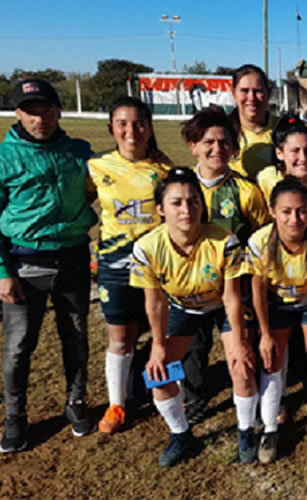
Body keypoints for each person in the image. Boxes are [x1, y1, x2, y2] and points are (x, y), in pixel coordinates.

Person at [130, 167, 258, 466]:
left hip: (220, 307)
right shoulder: (146, 248)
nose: (186, 209)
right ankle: (181, 434)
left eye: (193, 201)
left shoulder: (224, 240)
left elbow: (231, 297)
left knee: (241, 367)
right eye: (176, 203)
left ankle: (246, 430)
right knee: (159, 375)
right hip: (183, 309)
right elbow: (156, 302)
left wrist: (238, 342)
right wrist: (159, 345)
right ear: (161, 208)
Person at [0, 79, 97, 452]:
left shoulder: (79, 151)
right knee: (19, 345)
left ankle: (76, 402)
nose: (40, 118)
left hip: (73, 257)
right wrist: (3, 271)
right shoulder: (4, 157)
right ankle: (16, 416)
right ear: (18, 114)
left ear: (58, 111)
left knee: (75, 336)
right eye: (31, 110)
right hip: (25, 263)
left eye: (47, 109)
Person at [180, 105, 270, 425]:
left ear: (233, 147)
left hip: (236, 287)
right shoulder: (179, 187)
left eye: (224, 142)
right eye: (208, 142)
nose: (217, 148)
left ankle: (252, 397)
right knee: (193, 345)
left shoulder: (245, 190)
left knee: (243, 343)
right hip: (191, 287)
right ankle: (193, 398)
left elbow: (261, 237)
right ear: (193, 145)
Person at [89, 97, 172, 434]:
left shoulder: (164, 170)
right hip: (114, 265)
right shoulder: (96, 167)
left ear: (149, 128)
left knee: (162, 333)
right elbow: (81, 205)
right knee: (120, 337)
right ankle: (117, 403)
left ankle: (165, 392)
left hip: (156, 267)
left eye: (139, 123)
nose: (131, 130)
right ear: (112, 128)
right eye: (122, 123)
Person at [248, 177, 307, 463]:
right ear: (272, 211)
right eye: (286, 211)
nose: (294, 218)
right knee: (271, 358)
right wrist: (264, 333)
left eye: (301, 211)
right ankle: (271, 428)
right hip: (276, 305)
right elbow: (258, 291)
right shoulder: (260, 242)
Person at [228, 64, 278, 179]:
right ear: (234, 94)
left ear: (268, 94)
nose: (251, 98)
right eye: (244, 91)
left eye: (258, 91)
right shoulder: (223, 131)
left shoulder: (284, 129)